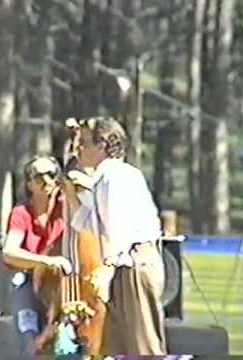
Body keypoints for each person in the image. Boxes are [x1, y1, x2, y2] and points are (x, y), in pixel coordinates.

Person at [65, 115, 166, 355]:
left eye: (85, 143)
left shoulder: (116, 176)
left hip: (133, 264)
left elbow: (118, 229)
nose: (79, 149)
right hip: (123, 266)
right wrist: (70, 191)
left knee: (144, 348)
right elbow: (89, 223)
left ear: (102, 145)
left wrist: (106, 271)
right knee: (120, 348)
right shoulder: (103, 178)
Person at [2, 155, 75, 356]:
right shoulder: (21, 212)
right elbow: (9, 252)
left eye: (51, 175)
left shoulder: (67, 208)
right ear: (29, 184)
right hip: (27, 278)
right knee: (29, 337)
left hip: (63, 285)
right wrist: (45, 261)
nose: (46, 181)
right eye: (38, 177)